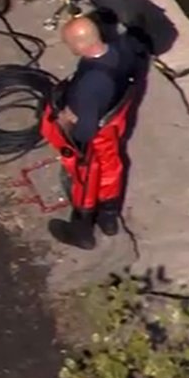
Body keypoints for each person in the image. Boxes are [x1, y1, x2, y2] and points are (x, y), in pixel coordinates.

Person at [39, 15, 147, 250]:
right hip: (113, 125)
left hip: (96, 132)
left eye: (69, 43)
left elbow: (85, 134)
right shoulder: (122, 49)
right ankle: (109, 218)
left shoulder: (91, 84)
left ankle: (82, 229)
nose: (68, 47)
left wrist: (68, 120)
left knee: (86, 175)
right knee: (111, 167)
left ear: (81, 45)